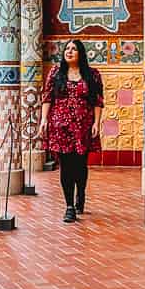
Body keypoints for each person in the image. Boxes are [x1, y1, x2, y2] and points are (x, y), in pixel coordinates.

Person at [37, 39, 103, 222]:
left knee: (80, 165)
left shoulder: (92, 75)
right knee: (65, 166)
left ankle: (80, 194)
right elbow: (47, 97)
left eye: (74, 49)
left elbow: (97, 101)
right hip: (61, 127)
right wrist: (44, 120)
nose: (69, 51)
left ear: (80, 53)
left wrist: (96, 123)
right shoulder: (56, 73)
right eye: (67, 48)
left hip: (83, 127)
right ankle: (69, 207)